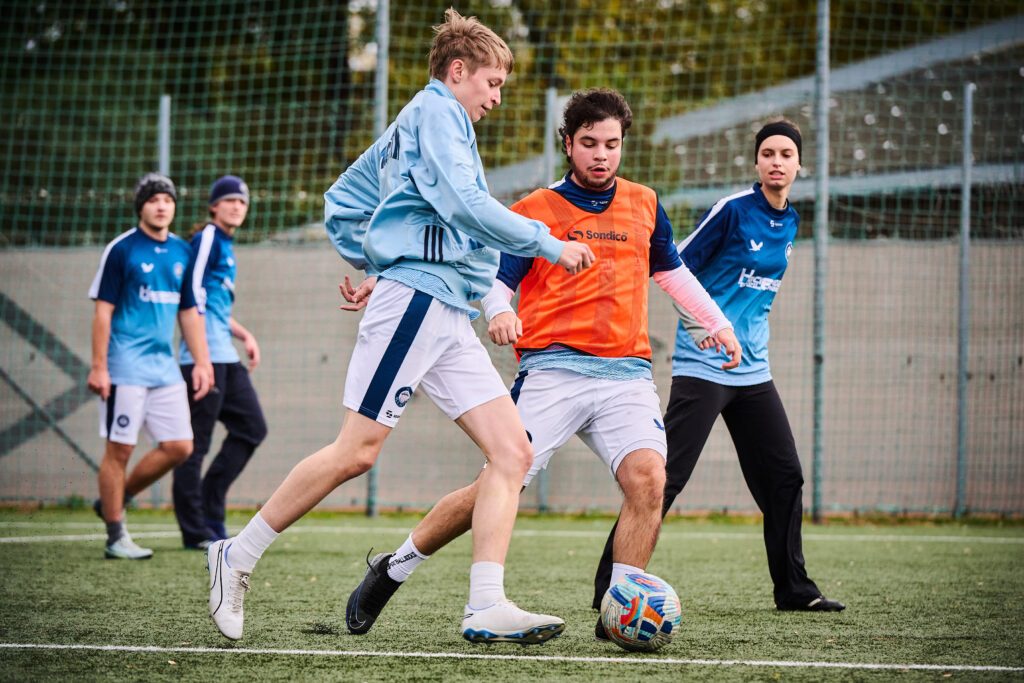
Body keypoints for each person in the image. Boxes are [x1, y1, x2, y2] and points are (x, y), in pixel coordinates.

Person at [204, 9, 594, 644]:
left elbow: (347, 203)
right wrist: (547, 244)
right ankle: (236, 555)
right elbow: (467, 208)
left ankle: (486, 604)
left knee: (512, 451)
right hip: (416, 302)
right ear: (458, 71)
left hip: (441, 309)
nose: (496, 97)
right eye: (492, 83)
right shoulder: (437, 112)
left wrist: (376, 261)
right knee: (356, 451)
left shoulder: (429, 124)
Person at [341, 88, 742, 639]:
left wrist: (715, 323)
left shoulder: (645, 203)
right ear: (569, 144)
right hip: (552, 370)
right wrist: (500, 312)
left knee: (649, 480)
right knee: (493, 487)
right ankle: (394, 568)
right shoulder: (534, 210)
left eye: (612, 144)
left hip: (626, 375)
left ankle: (619, 608)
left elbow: (671, 272)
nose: (601, 155)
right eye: (589, 143)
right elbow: (492, 279)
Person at [592, 119, 846, 617]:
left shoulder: (790, 221)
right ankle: (610, 588)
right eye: (768, 153)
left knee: (784, 476)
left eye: (786, 154)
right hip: (703, 368)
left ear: (799, 164)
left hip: (753, 373)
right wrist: (699, 326)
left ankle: (794, 589)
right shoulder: (732, 211)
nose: (777, 161)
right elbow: (675, 264)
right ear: (756, 162)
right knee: (663, 480)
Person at [87, 172, 214, 560]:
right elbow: (103, 313)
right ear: (140, 206)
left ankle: (118, 496)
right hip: (124, 367)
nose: (162, 206)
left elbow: (190, 312)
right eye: (153, 199)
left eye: (168, 200)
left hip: (164, 368)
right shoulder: (122, 249)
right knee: (119, 451)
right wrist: (99, 367)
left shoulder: (182, 252)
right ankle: (115, 535)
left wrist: (202, 363)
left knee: (180, 446)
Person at [172, 176, 268, 550]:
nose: (236, 207)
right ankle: (195, 531)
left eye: (242, 202)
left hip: (225, 358)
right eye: (228, 200)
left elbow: (212, 306)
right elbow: (190, 296)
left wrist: (243, 335)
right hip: (203, 360)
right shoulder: (209, 238)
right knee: (194, 445)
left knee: (252, 428)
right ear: (214, 206)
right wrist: (200, 359)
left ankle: (210, 512)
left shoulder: (225, 246)